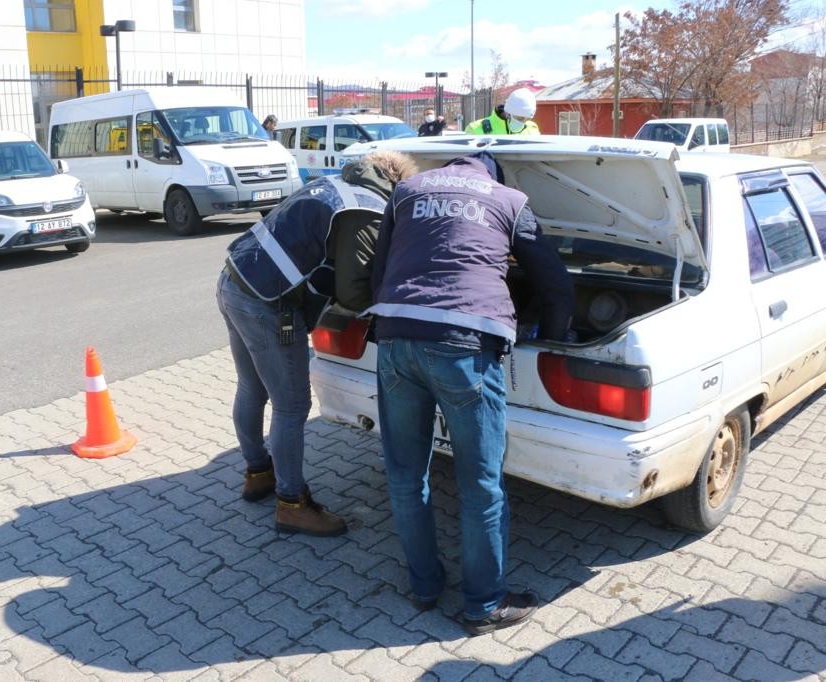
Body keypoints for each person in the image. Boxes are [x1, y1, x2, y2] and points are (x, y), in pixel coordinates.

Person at [368, 150, 573, 634]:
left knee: (404, 474)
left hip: (396, 339)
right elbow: (554, 283)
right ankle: (484, 604)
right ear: (490, 174)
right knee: (480, 482)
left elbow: (379, 275)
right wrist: (555, 337)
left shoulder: (406, 191)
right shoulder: (509, 198)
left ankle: (424, 585)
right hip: (465, 345)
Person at [218, 150, 417, 536]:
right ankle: (292, 504)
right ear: (395, 183)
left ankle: (258, 473)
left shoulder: (332, 184)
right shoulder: (367, 208)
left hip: (234, 281)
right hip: (269, 302)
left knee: (251, 388)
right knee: (292, 406)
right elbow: (354, 293)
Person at [464, 87, 540, 136]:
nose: (523, 123)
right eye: (520, 118)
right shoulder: (476, 129)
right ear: (509, 113)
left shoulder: (532, 130)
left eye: (528, 119)